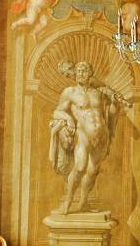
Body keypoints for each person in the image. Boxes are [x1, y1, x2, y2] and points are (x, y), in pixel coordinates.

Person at [48, 60, 130, 214]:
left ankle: (83, 203)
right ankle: (68, 202)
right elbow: (57, 112)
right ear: (75, 73)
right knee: (80, 167)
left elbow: (111, 113)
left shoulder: (98, 93)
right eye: (79, 71)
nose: (81, 74)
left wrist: (114, 103)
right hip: (83, 135)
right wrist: (69, 118)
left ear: (90, 73)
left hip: (102, 135)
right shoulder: (70, 92)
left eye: (84, 71)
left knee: (92, 171)